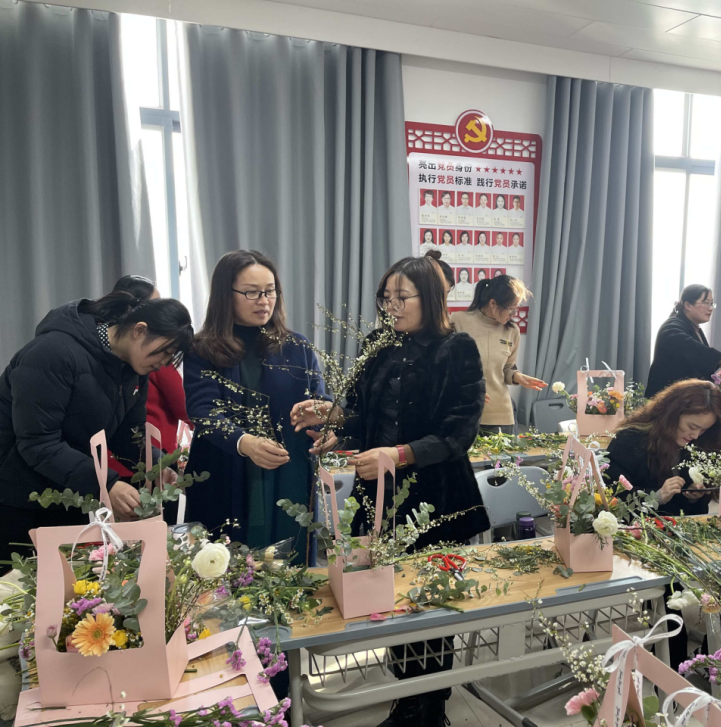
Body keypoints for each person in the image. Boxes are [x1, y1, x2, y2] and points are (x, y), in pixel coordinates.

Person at [291, 255, 488, 727]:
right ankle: (407, 699)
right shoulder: (377, 345)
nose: (391, 306)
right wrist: (335, 422)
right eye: (386, 298)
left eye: (402, 297)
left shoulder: (456, 348)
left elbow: (459, 434)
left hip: (436, 496)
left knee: (431, 604)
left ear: (430, 297)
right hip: (380, 495)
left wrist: (399, 454)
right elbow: (366, 415)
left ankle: (431, 707)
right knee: (391, 601)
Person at [0, 291, 193, 562]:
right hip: (15, 494)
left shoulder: (132, 368)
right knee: (18, 581)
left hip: (70, 490)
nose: (163, 363)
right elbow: (38, 443)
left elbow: (129, 436)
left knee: (74, 579)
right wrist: (108, 484)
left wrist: (158, 465)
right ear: (139, 330)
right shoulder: (52, 353)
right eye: (164, 351)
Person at [184, 250, 332, 562]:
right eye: (252, 292)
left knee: (290, 566)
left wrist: (326, 426)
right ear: (226, 295)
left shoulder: (297, 347)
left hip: (288, 473)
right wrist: (244, 442)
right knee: (221, 568)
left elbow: (321, 403)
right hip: (225, 470)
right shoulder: (202, 349)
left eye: (270, 291)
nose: (264, 301)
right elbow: (203, 410)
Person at [605, 379, 721, 516]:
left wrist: (694, 498)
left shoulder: (699, 444)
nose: (695, 435)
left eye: (704, 430)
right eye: (692, 427)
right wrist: (656, 496)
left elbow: (692, 513)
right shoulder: (630, 439)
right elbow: (611, 496)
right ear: (672, 415)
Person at [109, 275, 193, 463]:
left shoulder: (137, 357)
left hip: (134, 455)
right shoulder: (154, 354)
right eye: (156, 305)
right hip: (141, 453)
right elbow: (184, 406)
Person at [453, 275, 546, 434]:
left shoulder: (512, 331)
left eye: (516, 309)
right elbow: (446, 367)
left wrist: (517, 376)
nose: (513, 314)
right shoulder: (458, 321)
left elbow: (508, 367)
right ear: (493, 303)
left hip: (501, 415)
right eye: (511, 309)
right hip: (464, 412)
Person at [646, 285, 721, 398]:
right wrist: (719, 358)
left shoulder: (695, 329)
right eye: (706, 303)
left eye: (711, 304)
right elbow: (687, 346)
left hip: (685, 398)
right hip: (667, 401)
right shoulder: (671, 326)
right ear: (688, 305)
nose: (710, 308)